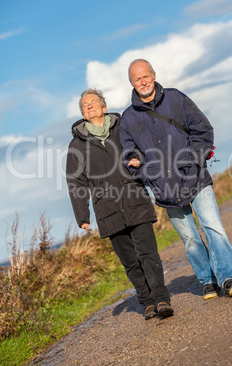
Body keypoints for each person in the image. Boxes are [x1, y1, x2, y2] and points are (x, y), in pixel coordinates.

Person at [120, 59, 232, 300]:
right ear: (131, 83)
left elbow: (203, 130)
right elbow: (129, 154)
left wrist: (191, 158)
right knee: (190, 239)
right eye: (137, 79)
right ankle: (207, 281)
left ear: (154, 75)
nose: (143, 82)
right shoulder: (128, 118)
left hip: (194, 177)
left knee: (213, 227)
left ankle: (228, 277)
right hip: (164, 188)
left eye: (146, 76)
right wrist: (140, 169)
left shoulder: (176, 99)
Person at [66, 88, 174, 320]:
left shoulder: (123, 127)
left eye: (93, 102)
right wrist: (82, 215)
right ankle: (146, 302)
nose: (89, 106)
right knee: (130, 262)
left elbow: (143, 148)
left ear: (104, 107)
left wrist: (140, 160)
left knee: (148, 253)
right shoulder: (76, 146)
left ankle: (161, 298)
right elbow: (75, 180)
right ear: (83, 114)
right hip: (107, 209)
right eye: (85, 105)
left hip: (135, 197)